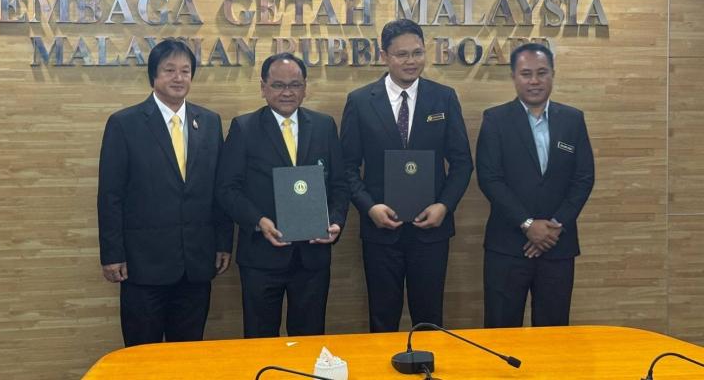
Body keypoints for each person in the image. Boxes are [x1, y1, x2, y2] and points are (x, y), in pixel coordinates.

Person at [340, 19, 473, 332]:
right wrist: (369, 207)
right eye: (402, 55)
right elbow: (346, 167)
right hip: (381, 230)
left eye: (417, 53)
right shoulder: (360, 101)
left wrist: (444, 206)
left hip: (431, 231)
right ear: (384, 56)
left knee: (429, 318)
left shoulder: (444, 98)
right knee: (382, 318)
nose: (411, 61)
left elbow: (462, 162)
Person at [97, 38, 233, 345]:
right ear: (153, 76)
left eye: (185, 70)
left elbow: (219, 190)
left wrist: (223, 242)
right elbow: (110, 195)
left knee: (187, 352)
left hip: (196, 262)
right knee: (142, 354)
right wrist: (112, 254)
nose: (178, 77)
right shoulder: (125, 124)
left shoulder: (209, 122)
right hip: (143, 265)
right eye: (169, 70)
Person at [217, 53, 350, 338]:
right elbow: (227, 189)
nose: (287, 92)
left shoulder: (324, 126)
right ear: (263, 87)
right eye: (278, 85)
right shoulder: (244, 128)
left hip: (312, 257)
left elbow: (340, 184)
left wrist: (336, 221)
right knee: (260, 339)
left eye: (295, 85)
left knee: (309, 338)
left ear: (305, 87)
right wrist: (258, 221)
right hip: (261, 257)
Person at [476, 42, 594, 328]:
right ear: (514, 77)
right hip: (507, 246)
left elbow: (583, 178)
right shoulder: (495, 120)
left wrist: (554, 226)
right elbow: (489, 179)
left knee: (554, 332)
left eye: (542, 73)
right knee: (501, 331)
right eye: (526, 74)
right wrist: (528, 224)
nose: (534, 81)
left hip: (557, 245)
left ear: (553, 74)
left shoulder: (572, 120)